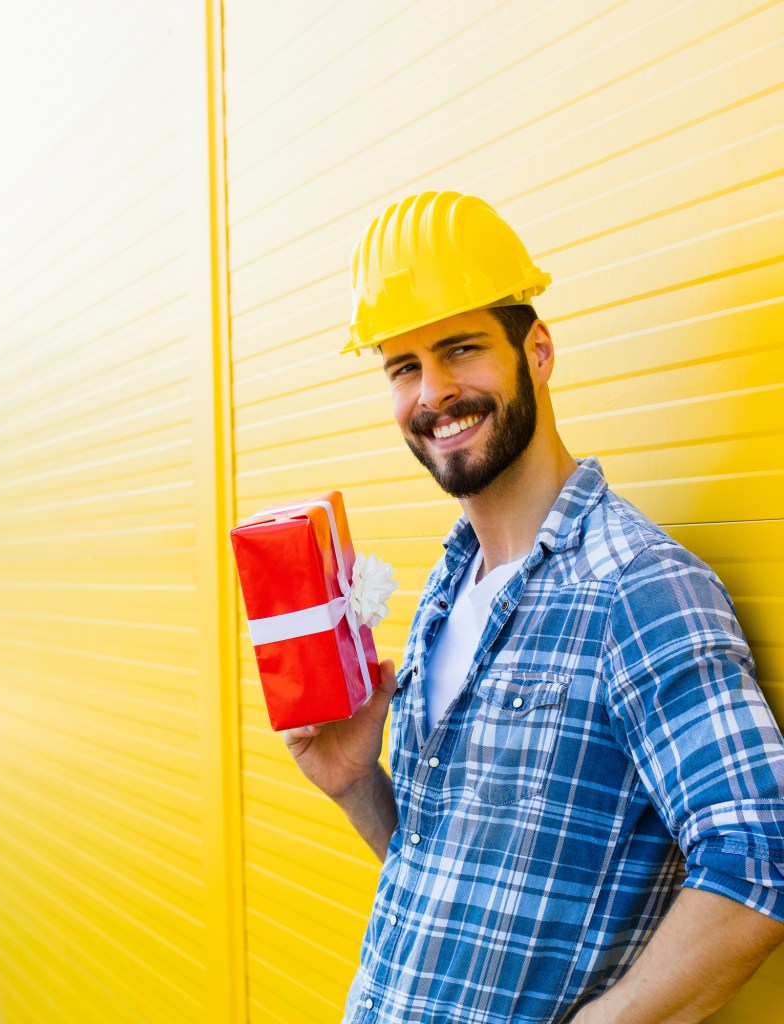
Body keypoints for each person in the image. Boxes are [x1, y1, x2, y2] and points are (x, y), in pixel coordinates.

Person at [283, 191, 784, 1024]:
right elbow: (457, 878)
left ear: (539, 351)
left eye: (461, 349)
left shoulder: (637, 586)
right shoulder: (446, 590)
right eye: (404, 367)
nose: (433, 393)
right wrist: (355, 785)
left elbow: (761, 853)